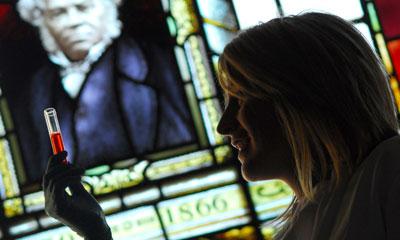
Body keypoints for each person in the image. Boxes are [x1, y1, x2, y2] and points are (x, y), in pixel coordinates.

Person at [43, 12, 400, 239]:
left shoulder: (389, 170)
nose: (224, 126)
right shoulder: (305, 223)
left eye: (240, 100)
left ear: (302, 98)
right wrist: (96, 232)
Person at [15, 0, 195, 180]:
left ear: (109, 6)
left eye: (83, 8)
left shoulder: (156, 66)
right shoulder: (33, 93)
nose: (73, 21)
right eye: (58, 13)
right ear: (41, 20)